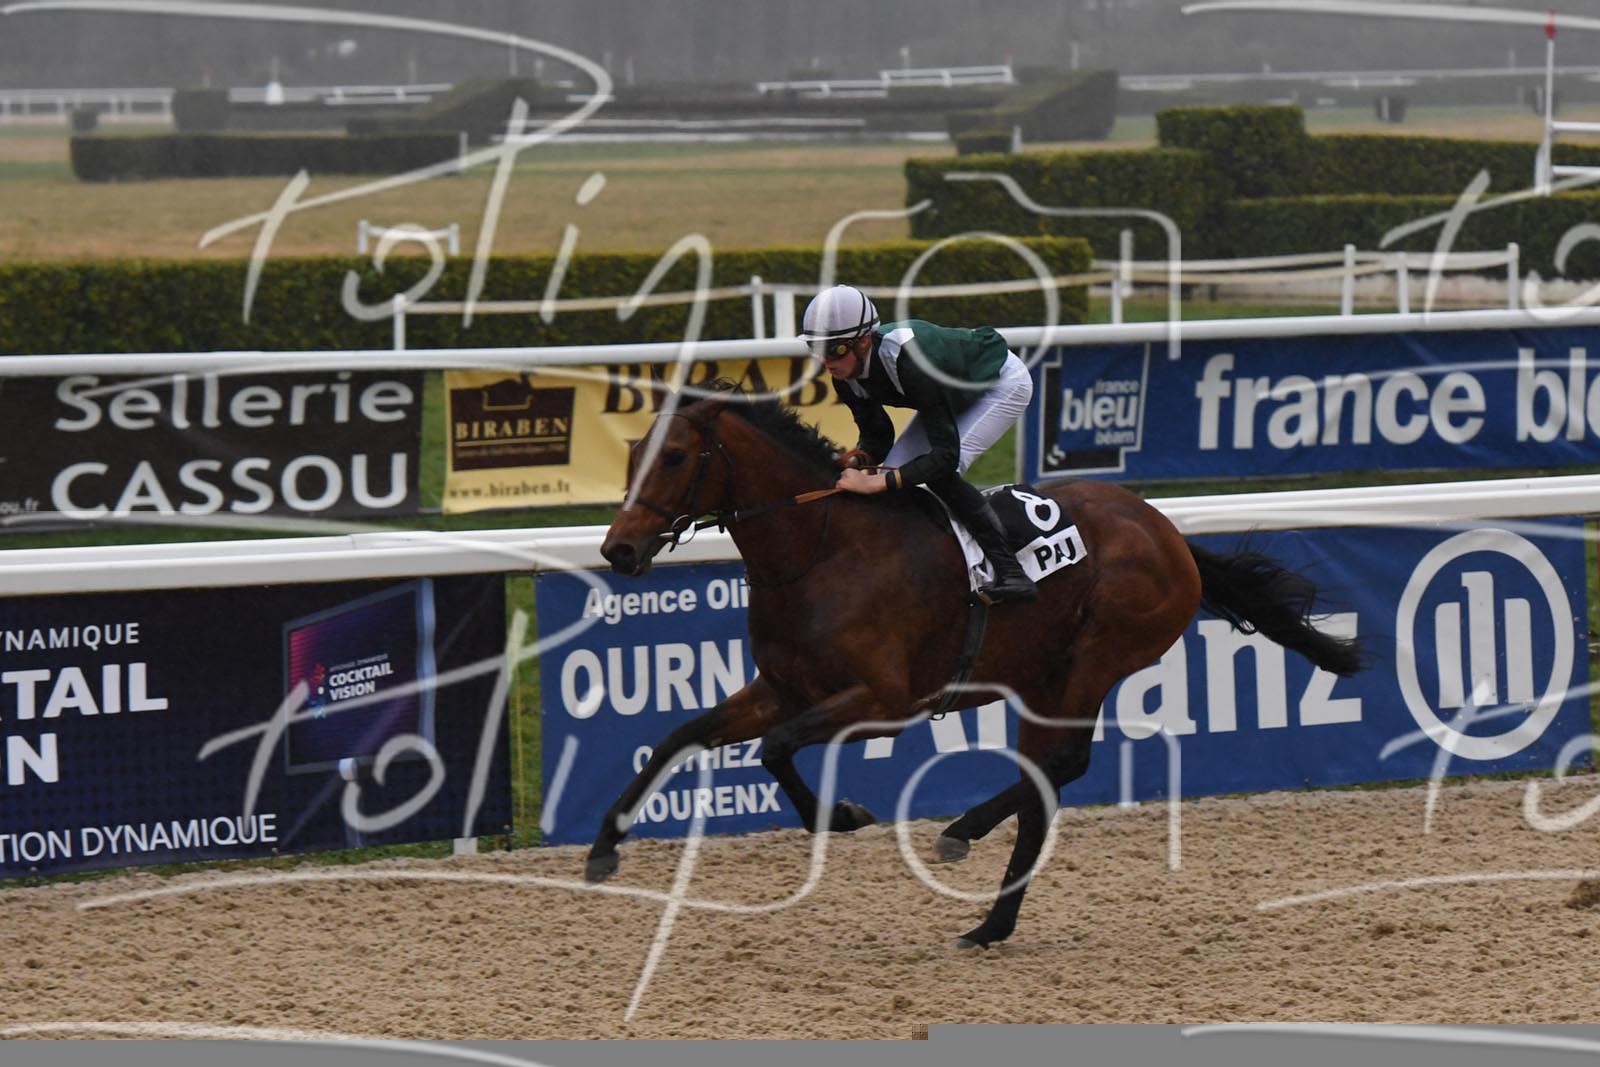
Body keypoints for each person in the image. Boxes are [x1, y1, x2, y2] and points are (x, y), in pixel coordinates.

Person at [799, 283, 1038, 604]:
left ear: (864, 341)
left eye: (835, 350)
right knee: (895, 478)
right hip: (952, 392)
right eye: (816, 349)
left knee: (937, 474)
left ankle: (1011, 571)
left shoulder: (911, 361)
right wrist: (856, 461)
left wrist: (876, 482)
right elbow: (878, 437)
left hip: (1000, 383)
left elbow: (945, 456)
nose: (826, 361)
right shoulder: (845, 377)